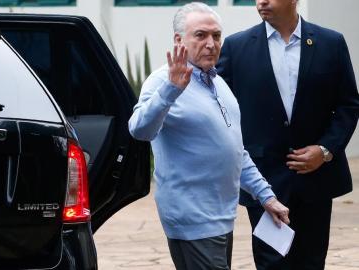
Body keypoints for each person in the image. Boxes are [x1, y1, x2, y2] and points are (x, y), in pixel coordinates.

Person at [128, 2, 290, 269]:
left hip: (222, 217)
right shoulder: (163, 80)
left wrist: (267, 197)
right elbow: (139, 130)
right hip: (191, 220)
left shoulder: (217, 82)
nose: (211, 43)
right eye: (201, 35)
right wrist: (170, 90)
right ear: (179, 40)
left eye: (216, 36)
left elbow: (236, 150)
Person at [216, 0, 359, 269]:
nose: (261, 1)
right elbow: (221, 109)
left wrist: (326, 150)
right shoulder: (237, 47)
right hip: (263, 181)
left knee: (312, 262)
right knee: (271, 263)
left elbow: (348, 106)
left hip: (315, 179)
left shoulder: (331, 43)